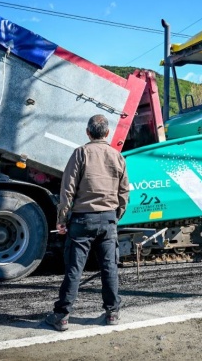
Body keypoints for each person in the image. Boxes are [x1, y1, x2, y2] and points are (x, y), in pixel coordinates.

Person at [45, 114, 129, 331]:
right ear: (108, 133)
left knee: (75, 269)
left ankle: (62, 316)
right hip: (108, 219)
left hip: (82, 220)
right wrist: (115, 216)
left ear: (88, 132)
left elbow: (68, 189)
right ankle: (112, 313)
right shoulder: (117, 156)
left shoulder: (81, 153)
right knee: (109, 267)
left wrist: (62, 219)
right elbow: (124, 192)